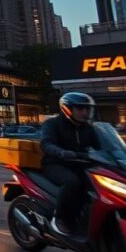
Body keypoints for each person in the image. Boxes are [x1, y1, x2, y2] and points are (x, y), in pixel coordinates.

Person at [40, 92, 102, 236]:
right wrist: (60, 152)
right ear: (68, 109)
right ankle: (59, 218)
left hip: (80, 164)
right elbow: (46, 143)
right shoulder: (52, 124)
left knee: (99, 185)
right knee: (72, 181)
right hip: (55, 164)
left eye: (87, 109)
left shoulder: (89, 128)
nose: (85, 112)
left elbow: (102, 148)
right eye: (80, 109)